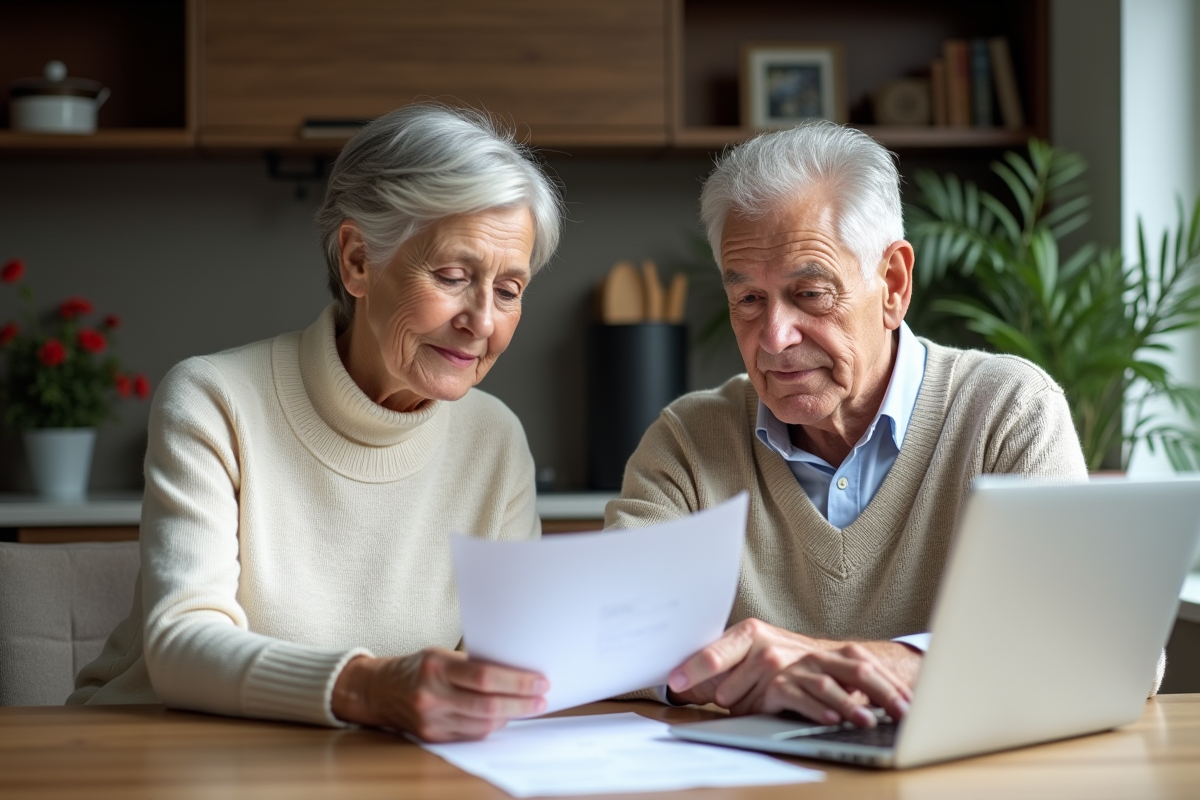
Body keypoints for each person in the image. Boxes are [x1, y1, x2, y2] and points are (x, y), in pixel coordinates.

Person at [605, 121, 1150, 728]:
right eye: (749, 301)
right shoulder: (690, 439)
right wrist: (751, 675)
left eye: (810, 294)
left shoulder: (1006, 410)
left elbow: (1112, 651)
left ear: (892, 284)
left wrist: (884, 663)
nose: (775, 338)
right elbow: (607, 634)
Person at [69, 104, 563, 743]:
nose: (483, 321)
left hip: (364, 768)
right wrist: (371, 688)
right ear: (358, 260)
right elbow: (182, 644)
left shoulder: (494, 440)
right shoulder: (215, 400)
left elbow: (506, 665)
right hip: (153, 750)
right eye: (453, 275)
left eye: (509, 290)